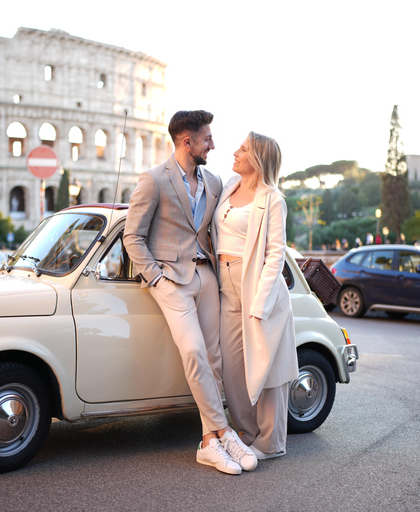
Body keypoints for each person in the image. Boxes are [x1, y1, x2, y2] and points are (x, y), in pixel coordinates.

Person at [124, 110, 256, 475]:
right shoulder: (153, 180)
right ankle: (225, 431)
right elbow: (132, 236)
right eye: (207, 139)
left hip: (207, 278)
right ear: (188, 141)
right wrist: (156, 278)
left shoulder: (215, 182)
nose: (212, 144)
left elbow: (240, 207)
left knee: (214, 361)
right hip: (171, 280)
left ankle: (208, 442)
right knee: (195, 352)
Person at [212, 132, 298, 460]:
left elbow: (276, 254)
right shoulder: (229, 187)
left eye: (243, 149)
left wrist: (260, 303)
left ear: (258, 158)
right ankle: (247, 434)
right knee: (233, 365)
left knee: (268, 367)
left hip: (258, 290)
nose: (235, 152)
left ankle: (271, 443)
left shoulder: (273, 199)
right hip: (225, 283)